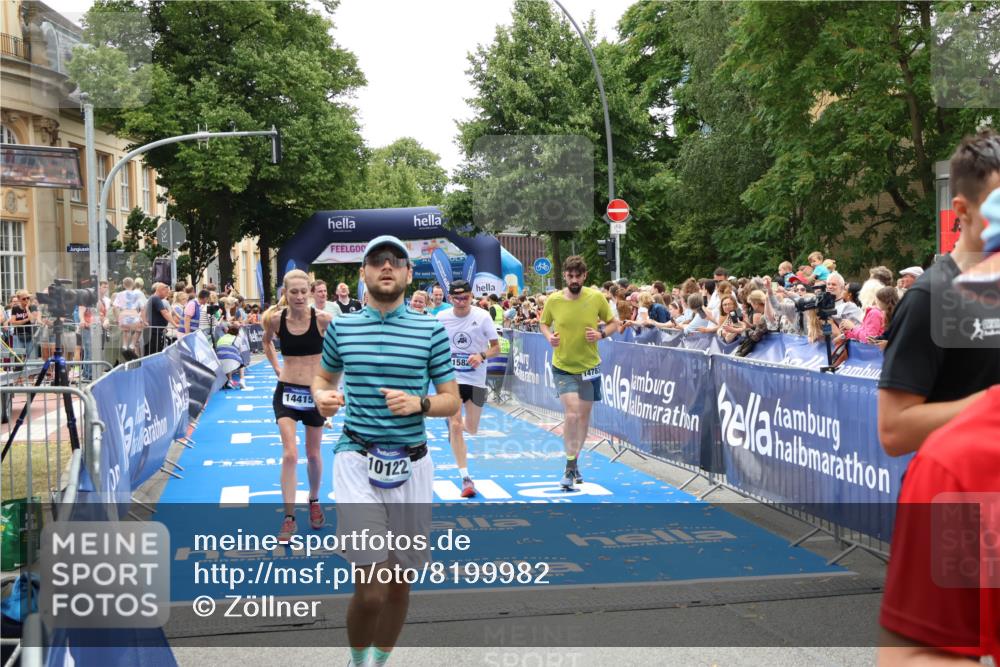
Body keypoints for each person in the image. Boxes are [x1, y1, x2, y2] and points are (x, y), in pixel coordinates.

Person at [310, 235, 460, 667]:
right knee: (371, 587)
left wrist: (422, 403)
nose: (387, 266)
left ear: (410, 275)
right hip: (356, 458)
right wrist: (323, 397)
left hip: (412, 463)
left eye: (397, 261)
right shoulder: (343, 327)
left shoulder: (430, 329)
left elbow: (451, 398)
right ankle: (358, 663)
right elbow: (323, 381)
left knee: (398, 584)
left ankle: (377, 661)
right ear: (363, 274)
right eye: (377, 261)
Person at [878, 129, 1000, 457]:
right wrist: (990, 405)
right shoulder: (931, 297)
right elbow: (893, 430)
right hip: (958, 498)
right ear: (963, 210)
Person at [262, 269, 334, 543]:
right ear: (285, 293)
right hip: (287, 393)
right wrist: (277, 367)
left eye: (305, 291)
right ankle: (289, 517)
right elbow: (267, 342)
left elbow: (341, 349)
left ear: (312, 292)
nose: (300, 296)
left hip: (314, 393)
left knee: (313, 454)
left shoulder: (324, 319)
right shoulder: (275, 319)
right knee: (290, 454)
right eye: (294, 292)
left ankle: (314, 500)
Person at [539, 256, 620, 490]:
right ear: (565, 275)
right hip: (563, 365)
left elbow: (614, 323)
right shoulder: (553, 300)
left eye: (578, 276)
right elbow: (544, 323)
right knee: (572, 414)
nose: (574, 280)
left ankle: (574, 462)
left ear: (585, 276)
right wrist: (549, 337)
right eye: (570, 276)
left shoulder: (596, 298)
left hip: (589, 366)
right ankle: (569, 465)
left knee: (584, 418)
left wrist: (601, 334)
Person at [436, 279, 500, 498]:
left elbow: (497, 348)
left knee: (470, 428)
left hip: (475, 379)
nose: (461, 302)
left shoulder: (482, 317)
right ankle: (465, 478)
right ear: (450, 298)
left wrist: (481, 355)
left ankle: (455, 430)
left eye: (465, 297)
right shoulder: (441, 317)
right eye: (457, 298)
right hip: (450, 378)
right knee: (455, 425)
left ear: (472, 296)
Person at [113, 277, 146, 360]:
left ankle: (124, 345)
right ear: (133, 284)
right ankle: (132, 344)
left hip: (123, 315)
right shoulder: (137, 295)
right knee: (139, 329)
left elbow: (114, 307)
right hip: (133, 314)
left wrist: (117, 318)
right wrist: (144, 320)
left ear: (123, 285)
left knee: (126, 331)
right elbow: (142, 308)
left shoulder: (119, 294)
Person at [143, 282, 176, 356]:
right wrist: (174, 324)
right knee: (153, 352)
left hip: (153, 331)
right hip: (153, 332)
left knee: (152, 351)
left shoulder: (153, 298)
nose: (167, 294)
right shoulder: (155, 298)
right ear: (161, 290)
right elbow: (165, 313)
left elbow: (144, 311)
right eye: (166, 292)